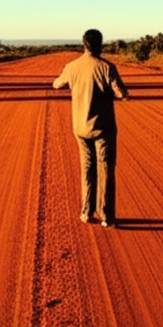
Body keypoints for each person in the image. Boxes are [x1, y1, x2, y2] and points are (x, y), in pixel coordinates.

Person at [52, 29, 129, 228]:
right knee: (105, 169)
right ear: (100, 45)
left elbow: (57, 84)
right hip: (103, 129)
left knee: (87, 169)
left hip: (80, 127)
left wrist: (65, 83)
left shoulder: (72, 67)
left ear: (84, 44)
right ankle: (106, 215)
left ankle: (86, 212)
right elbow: (120, 92)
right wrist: (121, 95)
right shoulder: (106, 67)